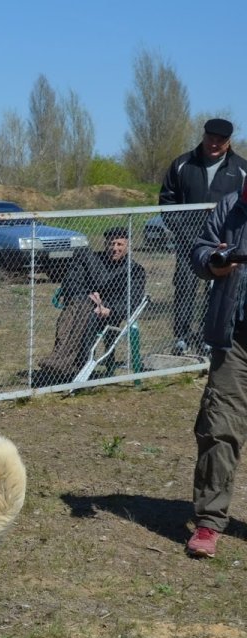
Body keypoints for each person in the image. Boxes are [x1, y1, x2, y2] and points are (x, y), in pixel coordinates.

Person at [184, 184, 247, 558]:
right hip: (234, 338)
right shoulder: (230, 205)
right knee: (219, 425)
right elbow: (199, 250)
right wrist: (214, 262)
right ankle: (209, 522)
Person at [160, 118, 247, 356]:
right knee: (185, 287)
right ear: (204, 136)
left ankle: (209, 337)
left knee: (216, 291)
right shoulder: (181, 164)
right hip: (190, 244)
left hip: (224, 247)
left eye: (221, 140)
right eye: (211, 138)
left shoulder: (241, 168)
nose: (215, 144)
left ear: (229, 142)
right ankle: (182, 336)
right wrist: (183, 232)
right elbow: (167, 201)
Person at [34, 227, 147, 385]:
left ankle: (68, 363)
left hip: (109, 313)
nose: (115, 248)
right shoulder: (88, 258)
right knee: (78, 308)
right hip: (83, 304)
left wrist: (109, 309)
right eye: (111, 244)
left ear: (127, 245)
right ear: (105, 244)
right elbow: (70, 282)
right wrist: (89, 295)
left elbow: (132, 300)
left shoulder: (135, 270)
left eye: (119, 244)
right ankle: (64, 363)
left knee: (85, 313)